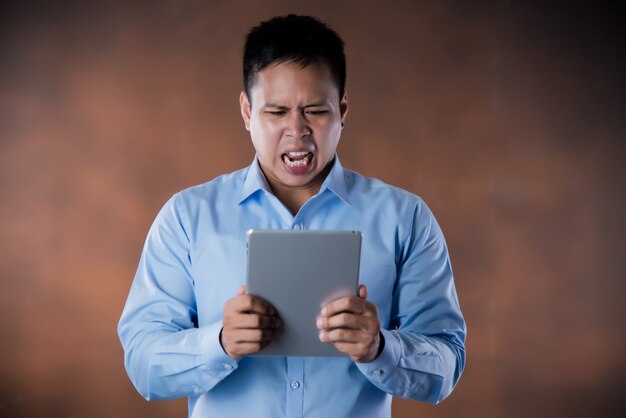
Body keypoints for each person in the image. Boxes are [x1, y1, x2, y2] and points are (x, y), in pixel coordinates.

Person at [118, 14, 466, 418]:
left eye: (316, 111)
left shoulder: (406, 217)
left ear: (343, 110)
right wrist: (220, 343)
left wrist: (381, 348)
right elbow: (143, 364)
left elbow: (446, 365)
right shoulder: (186, 217)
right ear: (247, 111)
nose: (296, 130)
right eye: (277, 111)